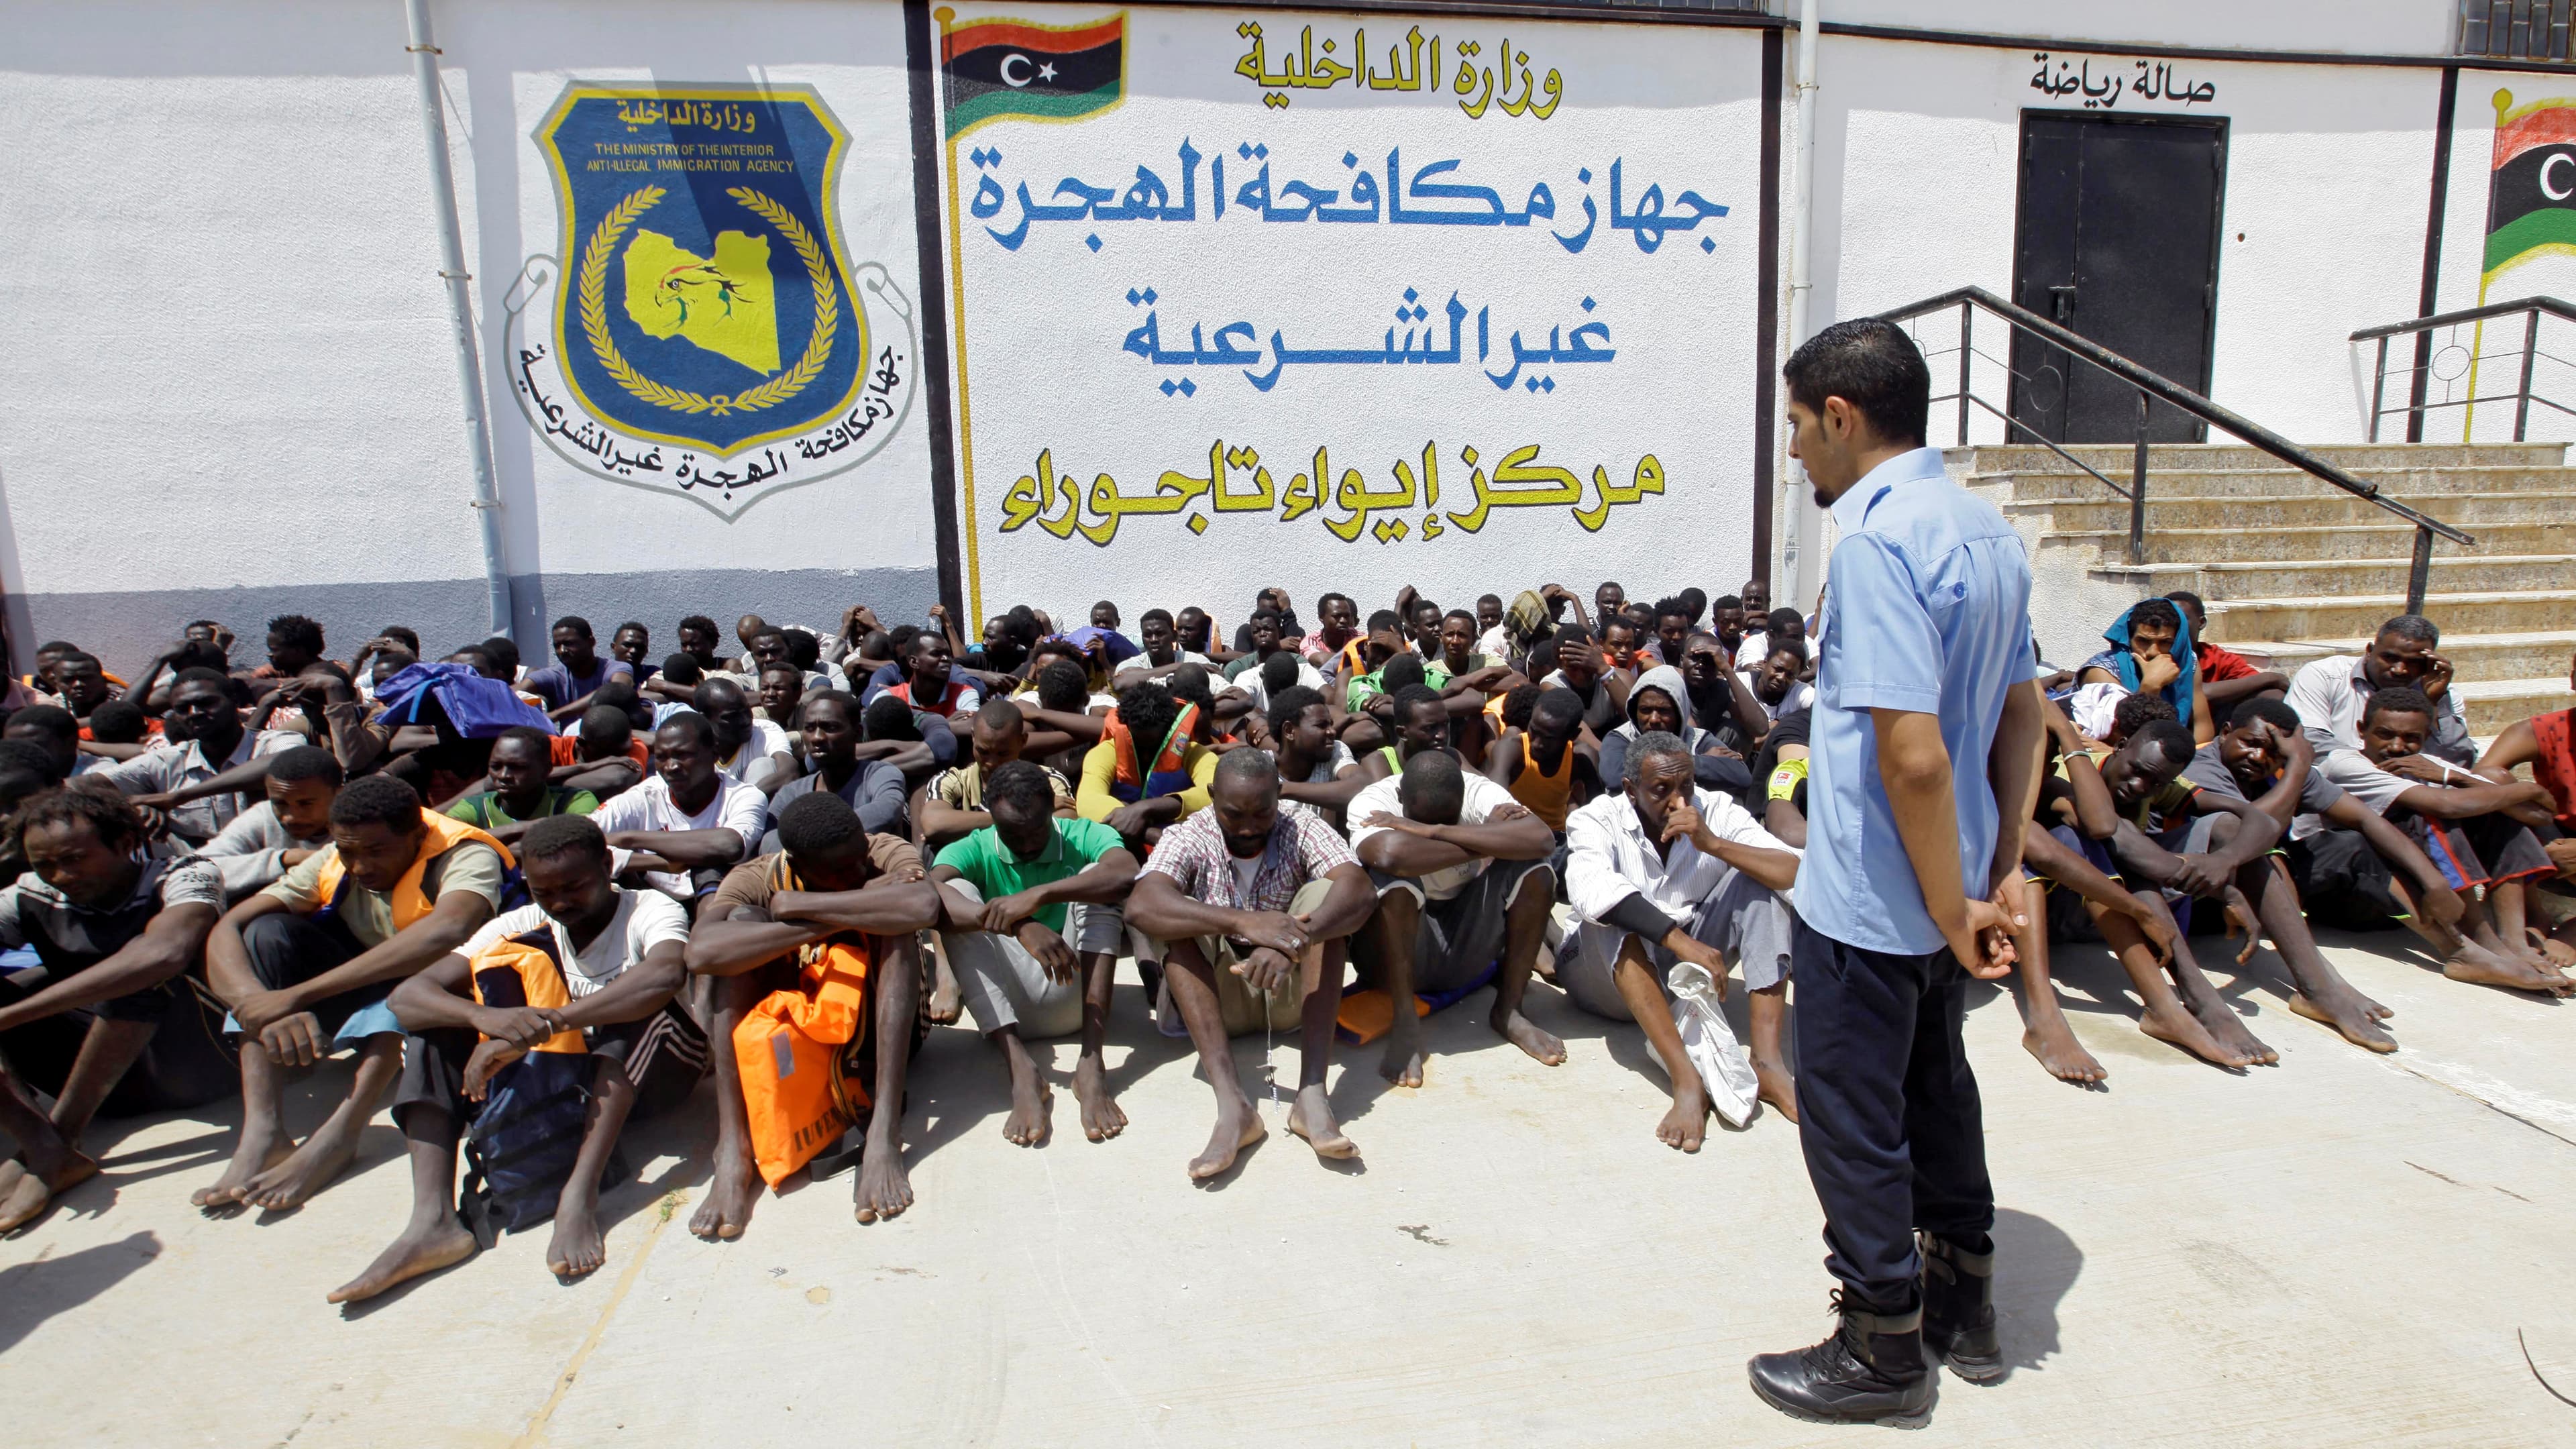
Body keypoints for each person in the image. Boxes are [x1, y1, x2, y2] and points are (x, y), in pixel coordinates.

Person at [1750, 318, 2043, 1424]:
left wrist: (1942, 901)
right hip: (1950, 887)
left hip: (1880, 900)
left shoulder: (1873, 540)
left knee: (1852, 1115)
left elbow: (1910, 755)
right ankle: (1965, 1302)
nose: (1793, 453)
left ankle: (1881, 1345)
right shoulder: (1986, 530)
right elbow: (2026, 718)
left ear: (1841, 416)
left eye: (1795, 426)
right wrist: (1997, 873)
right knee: (1939, 1088)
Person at [332, 814, 698, 1302]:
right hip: (571, 1081)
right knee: (432, 1030)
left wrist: (544, 1025)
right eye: (545, 891)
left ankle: (578, 1195)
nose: (561, 902)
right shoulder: (524, 920)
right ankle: (433, 1221)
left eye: (575, 886)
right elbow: (408, 997)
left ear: (608, 866)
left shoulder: (648, 909)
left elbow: (663, 977)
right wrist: (485, 1021)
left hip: (661, 1068)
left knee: (630, 1012)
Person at [194, 775, 513, 1212]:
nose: (359, 867)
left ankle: (341, 1134)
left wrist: (297, 996)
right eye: (349, 852)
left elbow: (449, 929)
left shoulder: (464, 854)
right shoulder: (339, 854)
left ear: (418, 835)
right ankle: (263, 1132)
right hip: (368, 976)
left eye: (377, 852)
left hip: (451, 991)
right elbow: (227, 926)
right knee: (265, 934)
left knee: (411, 985)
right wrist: (262, 1006)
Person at [683, 792, 938, 1236]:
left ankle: (883, 1132)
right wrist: (831, 918)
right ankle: (734, 1146)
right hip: (801, 1039)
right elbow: (702, 951)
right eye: (841, 872)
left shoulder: (883, 851)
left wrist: (801, 909)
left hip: (881, 1032)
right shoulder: (758, 878)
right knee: (740, 925)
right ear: (798, 866)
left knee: (895, 929)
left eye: (860, 860)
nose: (861, 872)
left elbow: (923, 906)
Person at [1127, 749, 1372, 1177]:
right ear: (1211, 797)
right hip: (1218, 999)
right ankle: (1234, 1108)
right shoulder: (1190, 833)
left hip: (1288, 992)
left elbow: (1361, 891)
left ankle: (1311, 1095)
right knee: (1173, 916)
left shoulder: (1301, 825)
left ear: (1278, 795)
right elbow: (1140, 906)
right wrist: (1244, 923)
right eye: (1233, 813)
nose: (1247, 827)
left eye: (1262, 812)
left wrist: (1289, 942)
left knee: (1325, 901)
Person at [0, 790, 228, 1232]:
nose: (60, 876)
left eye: (74, 859)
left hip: (192, 1069)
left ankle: (61, 1137)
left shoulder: (185, 875)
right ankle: (41, 1144)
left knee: (142, 970)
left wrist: (8, 1019)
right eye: (44, 865)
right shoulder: (29, 894)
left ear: (125, 843)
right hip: (103, 1079)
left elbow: (166, 953)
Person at [1562, 729, 1801, 1138]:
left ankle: (1766, 1063)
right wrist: (1680, 940)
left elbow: (1792, 870)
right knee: (1612, 916)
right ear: (1630, 789)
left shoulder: (1716, 809)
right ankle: (1686, 1080)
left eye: (1687, 784)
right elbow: (1590, 891)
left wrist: (1713, 843)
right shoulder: (1596, 818)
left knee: (1761, 884)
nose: (1680, 800)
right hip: (1604, 978)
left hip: (1684, 967)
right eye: (1661, 790)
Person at [930, 761, 1140, 1146]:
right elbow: (929, 893)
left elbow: (1127, 871)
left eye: (1036, 831)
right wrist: (1018, 925)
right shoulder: (975, 846)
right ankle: (1020, 1068)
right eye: (1012, 833)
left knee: (1099, 878)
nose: (1026, 845)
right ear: (991, 817)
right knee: (955, 893)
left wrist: (1041, 895)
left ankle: (1091, 1063)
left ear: (1052, 810)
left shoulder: (1082, 834)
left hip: (1077, 997)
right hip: (1009, 1009)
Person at [2320, 686, 2567, 993]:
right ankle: (2488, 947)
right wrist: (2528, 789)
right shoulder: (2346, 764)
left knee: (2498, 813)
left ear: (2427, 737)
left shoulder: (2427, 765)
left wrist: (2457, 777)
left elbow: (2539, 815)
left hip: (2420, 903)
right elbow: (2444, 805)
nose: (2397, 747)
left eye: (2411, 739)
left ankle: (2513, 943)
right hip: (2356, 900)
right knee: (2430, 815)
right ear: (2362, 730)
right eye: (2385, 735)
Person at [1348, 749, 1562, 1086]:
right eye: (1421, 817)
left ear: (1463, 796)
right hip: (1395, 957)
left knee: (1534, 868)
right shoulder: (1374, 801)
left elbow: (1541, 839)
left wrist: (1432, 832)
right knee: (1393, 882)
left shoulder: (1478, 791)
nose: (1442, 824)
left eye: (1450, 818)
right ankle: (1405, 1023)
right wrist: (1490, 839)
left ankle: (1509, 1010)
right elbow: (1390, 855)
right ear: (1401, 796)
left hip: (1466, 941)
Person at [93, 667, 302, 847]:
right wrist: (133, 807)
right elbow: (81, 786)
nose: (194, 713)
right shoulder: (168, 760)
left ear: (234, 701)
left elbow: (286, 763)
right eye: (183, 709)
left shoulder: (274, 741)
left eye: (206, 703)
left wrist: (178, 797)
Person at [590, 712, 767, 909]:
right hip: (653, 902)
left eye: (682, 755)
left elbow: (730, 845)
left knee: (708, 868)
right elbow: (581, 839)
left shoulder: (744, 796)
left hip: (723, 903)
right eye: (661, 758)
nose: (671, 767)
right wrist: (654, 863)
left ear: (714, 753)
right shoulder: (645, 795)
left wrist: (629, 839)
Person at [2287, 614, 2475, 771]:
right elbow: (2311, 742)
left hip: (2412, 788)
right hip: (2338, 781)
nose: (2400, 669)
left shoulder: (2440, 693)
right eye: (2390, 658)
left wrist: (2435, 702)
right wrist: (2378, 771)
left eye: (2414, 662)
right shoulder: (2326, 675)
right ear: (2369, 651)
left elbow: (2459, 760)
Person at [914, 697, 1075, 849]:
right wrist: (1029, 814)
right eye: (983, 752)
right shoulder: (952, 780)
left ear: (1023, 741)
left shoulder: (1050, 779)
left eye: (1003, 754)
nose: (991, 763)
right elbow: (934, 824)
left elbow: (1067, 821)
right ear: (973, 737)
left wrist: (963, 825)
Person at [1077, 681, 1220, 851]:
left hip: (1185, 844)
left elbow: (1216, 792)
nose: (1145, 755)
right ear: (1127, 731)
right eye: (1138, 746)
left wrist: (1146, 809)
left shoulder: (1194, 753)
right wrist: (1150, 833)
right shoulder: (1104, 753)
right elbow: (1089, 800)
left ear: (1170, 732)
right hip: (1125, 847)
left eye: (1153, 747)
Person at [193, 745, 341, 902]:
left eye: (306, 804)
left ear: (338, 794)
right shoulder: (263, 816)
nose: (290, 817)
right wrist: (284, 860)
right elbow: (194, 871)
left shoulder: (363, 821)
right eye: (280, 804)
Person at [767, 690, 910, 844]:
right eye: (809, 728)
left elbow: (888, 809)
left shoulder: (879, 774)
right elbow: (769, 837)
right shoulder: (791, 793)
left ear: (857, 733)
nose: (817, 737)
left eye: (831, 728)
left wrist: (812, 842)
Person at [2078, 598, 2213, 745]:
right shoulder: (2103, 671)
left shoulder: (2187, 664)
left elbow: (2203, 729)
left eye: (2165, 642)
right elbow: (2118, 737)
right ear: (2129, 639)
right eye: (2143, 641)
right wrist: (2150, 687)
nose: (2152, 652)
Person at [443, 727, 599, 844]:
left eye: (517, 767)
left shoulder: (575, 800)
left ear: (546, 770)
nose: (504, 776)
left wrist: (481, 841)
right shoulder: (474, 807)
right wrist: (530, 827)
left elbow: (581, 841)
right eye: (496, 766)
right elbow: (449, 839)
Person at [1486, 686, 1595, 835]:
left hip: (1557, 839)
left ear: (1573, 735)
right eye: (1533, 730)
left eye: (1548, 738)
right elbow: (1493, 801)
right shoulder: (1512, 749)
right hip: (1514, 833)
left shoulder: (1581, 757)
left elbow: (1599, 810)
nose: (1536, 743)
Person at [1260, 684, 1368, 822]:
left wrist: (1284, 789)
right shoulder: (1261, 768)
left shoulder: (1335, 750)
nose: (1332, 731)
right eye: (1321, 726)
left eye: (1330, 724)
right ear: (1289, 731)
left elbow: (1363, 785)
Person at [2163, 591, 2287, 711]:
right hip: (2167, 724)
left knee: (2272, 697)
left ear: (2201, 623)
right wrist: (2269, 677)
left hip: (2211, 724)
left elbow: (2261, 687)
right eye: (2168, 619)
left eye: (2182, 619)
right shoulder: (2158, 656)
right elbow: (2199, 693)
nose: (2174, 624)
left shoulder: (2214, 657)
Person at [694, 678, 796, 790]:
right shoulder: (696, 749)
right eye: (732, 716)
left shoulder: (764, 731)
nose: (745, 720)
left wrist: (746, 800)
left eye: (747, 710)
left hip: (756, 805)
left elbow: (789, 773)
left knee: (763, 765)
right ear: (705, 719)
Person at [525, 616, 634, 718]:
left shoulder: (615, 668)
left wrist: (555, 715)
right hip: (570, 739)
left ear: (591, 642)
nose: (562, 651)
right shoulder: (555, 675)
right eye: (557, 646)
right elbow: (514, 691)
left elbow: (618, 689)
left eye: (569, 643)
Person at [888, 629, 981, 719]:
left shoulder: (964, 693)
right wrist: (943, 724)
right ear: (914, 662)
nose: (946, 658)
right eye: (936, 653)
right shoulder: (890, 697)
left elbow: (971, 725)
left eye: (948, 654)